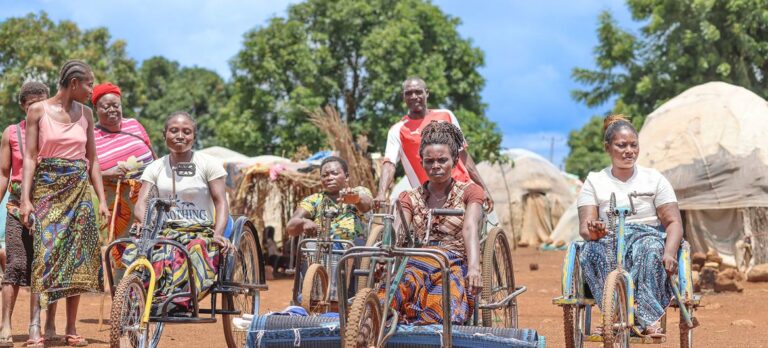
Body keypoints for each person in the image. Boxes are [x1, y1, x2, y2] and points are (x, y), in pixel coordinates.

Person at [20, 60, 110, 347]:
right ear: (74, 83)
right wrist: (25, 199)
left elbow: (93, 161)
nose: (91, 90)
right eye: (88, 84)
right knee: (45, 257)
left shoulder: (86, 114)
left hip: (79, 190)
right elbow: (31, 157)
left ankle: (70, 328)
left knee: (79, 258)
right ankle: (36, 324)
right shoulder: (38, 110)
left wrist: (102, 201)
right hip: (48, 188)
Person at [577, 115, 685, 338]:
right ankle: (612, 316)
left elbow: (674, 222)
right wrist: (595, 230)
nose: (629, 151)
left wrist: (670, 251)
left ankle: (646, 319)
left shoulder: (654, 179)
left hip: (647, 235)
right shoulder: (595, 181)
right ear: (608, 148)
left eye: (633, 145)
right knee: (592, 251)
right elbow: (585, 228)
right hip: (609, 237)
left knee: (648, 250)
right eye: (621, 145)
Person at [127, 111, 233, 314]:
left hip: (200, 231)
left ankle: (179, 300)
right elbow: (142, 203)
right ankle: (136, 297)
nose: (180, 136)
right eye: (174, 130)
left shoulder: (208, 164)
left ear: (194, 137)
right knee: (143, 250)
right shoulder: (156, 167)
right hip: (165, 229)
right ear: (164, 134)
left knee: (195, 249)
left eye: (187, 131)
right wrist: (144, 223)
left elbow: (221, 203)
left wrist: (217, 234)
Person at [383, 121, 483, 325]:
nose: (435, 166)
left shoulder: (470, 192)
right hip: (416, 262)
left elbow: (470, 227)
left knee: (442, 309)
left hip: (453, 263)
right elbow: (399, 229)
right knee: (387, 299)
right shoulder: (409, 197)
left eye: (442, 160)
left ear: (455, 161)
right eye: (429, 161)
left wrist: (474, 268)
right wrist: (387, 254)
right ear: (421, 162)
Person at [375, 77, 492, 211]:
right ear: (403, 97)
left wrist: (483, 188)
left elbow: (463, 155)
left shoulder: (446, 116)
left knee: (470, 229)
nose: (414, 96)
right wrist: (381, 194)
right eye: (408, 93)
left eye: (418, 92)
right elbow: (389, 164)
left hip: (462, 189)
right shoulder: (397, 130)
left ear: (427, 93)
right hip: (428, 198)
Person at [0, 82, 59, 347]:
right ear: (23, 105)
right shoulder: (12, 133)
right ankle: (6, 326)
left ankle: (42, 326)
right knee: (15, 264)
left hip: (52, 209)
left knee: (45, 269)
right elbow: (3, 173)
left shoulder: (58, 132)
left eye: (42, 102)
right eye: (31, 103)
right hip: (16, 208)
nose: (37, 108)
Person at [286, 156, 373, 299]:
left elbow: (367, 204)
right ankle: (312, 296)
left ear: (346, 176)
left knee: (355, 248)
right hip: (322, 247)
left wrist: (355, 199)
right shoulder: (315, 199)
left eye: (334, 173)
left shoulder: (358, 191)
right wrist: (303, 223)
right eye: (325, 175)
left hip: (352, 247)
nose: (329, 178)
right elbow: (291, 226)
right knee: (309, 245)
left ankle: (342, 297)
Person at [92, 82, 156, 269]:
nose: (112, 109)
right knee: (124, 247)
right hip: (118, 200)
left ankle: (156, 291)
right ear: (96, 108)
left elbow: (153, 153)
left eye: (116, 105)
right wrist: (107, 172)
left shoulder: (134, 124)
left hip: (149, 191)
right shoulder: (91, 135)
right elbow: (87, 172)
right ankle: (123, 294)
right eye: (106, 106)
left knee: (154, 241)